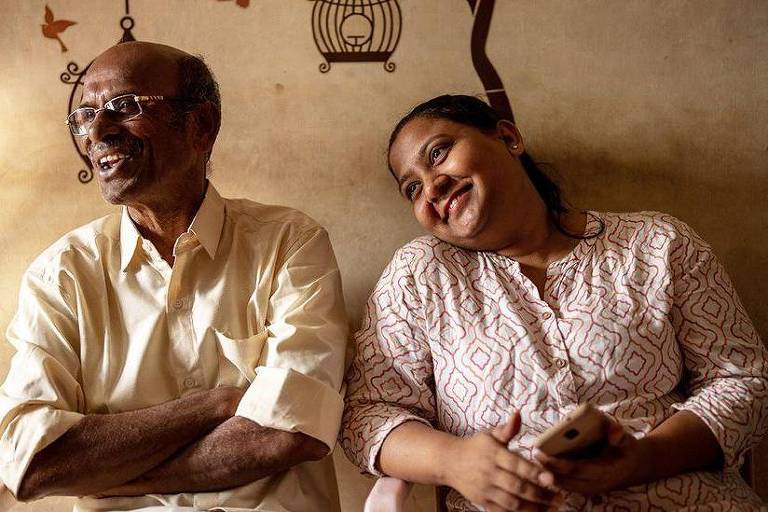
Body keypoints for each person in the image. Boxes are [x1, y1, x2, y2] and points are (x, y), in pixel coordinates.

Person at [340, 94, 768, 511]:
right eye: (412, 188)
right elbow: (369, 414)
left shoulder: (657, 244)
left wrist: (646, 458)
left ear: (508, 137)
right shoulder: (420, 274)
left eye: (439, 154)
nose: (432, 187)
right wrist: (452, 462)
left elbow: (744, 380)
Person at [0, 41, 348, 512]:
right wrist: (216, 405)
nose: (97, 131)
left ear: (200, 125)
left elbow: (290, 432)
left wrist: (109, 475)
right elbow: (30, 460)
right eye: (85, 115)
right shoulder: (60, 275)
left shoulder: (290, 242)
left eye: (124, 107)